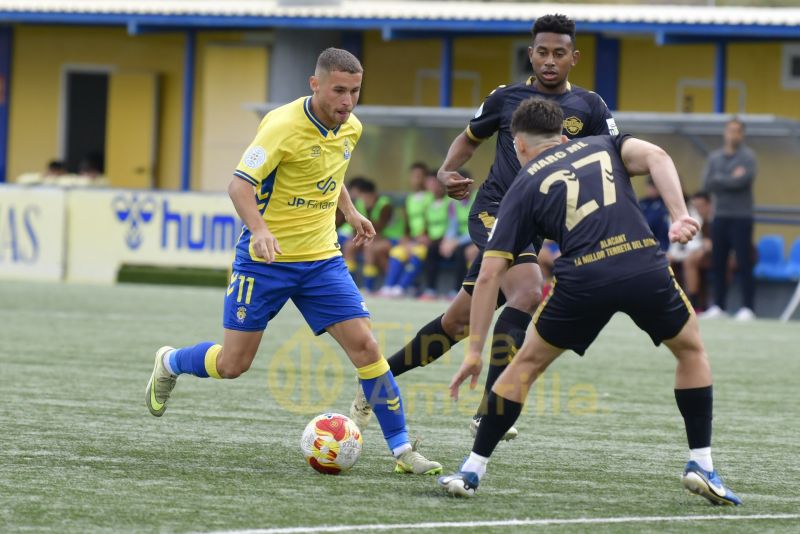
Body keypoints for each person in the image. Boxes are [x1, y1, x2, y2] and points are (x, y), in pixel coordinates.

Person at [144, 47, 441, 475]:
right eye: (339, 90)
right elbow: (238, 186)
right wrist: (261, 230)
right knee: (233, 364)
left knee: (368, 347)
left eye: (355, 91)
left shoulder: (351, 127)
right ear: (315, 84)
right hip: (265, 261)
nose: (347, 101)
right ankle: (170, 361)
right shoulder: (281, 125)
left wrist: (352, 211)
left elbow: (329, 174)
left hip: (321, 260)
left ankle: (401, 451)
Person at [438, 98, 741, 508]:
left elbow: (490, 274)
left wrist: (475, 350)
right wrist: (679, 215)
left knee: (525, 366)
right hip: (642, 264)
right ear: (563, 137)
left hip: (585, 278)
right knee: (691, 351)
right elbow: (658, 156)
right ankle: (701, 462)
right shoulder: (603, 144)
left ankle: (472, 470)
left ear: (519, 147)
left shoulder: (521, 187)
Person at [351, 13, 618, 440]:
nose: (550, 61)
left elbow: (613, 158)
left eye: (559, 53)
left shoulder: (591, 107)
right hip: (496, 209)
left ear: (574, 57)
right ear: (531, 54)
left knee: (456, 323)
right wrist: (445, 172)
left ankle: (374, 382)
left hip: (539, 223)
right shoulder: (505, 98)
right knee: (529, 289)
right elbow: (469, 138)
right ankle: (492, 406)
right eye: (542, 52)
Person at [699, 118, 758, 321]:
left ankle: (748, 308)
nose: (733, 134)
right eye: (730, 130)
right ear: (725, 132)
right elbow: (707, 184)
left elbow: (742, 181)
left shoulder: (748, 157)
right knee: (718, 262)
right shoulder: (714, 158)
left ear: (742, 134)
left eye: (737, 131)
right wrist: (729, 177)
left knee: (744, 261)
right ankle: (718, 306)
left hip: (742, 217)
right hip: (720, 217)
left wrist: (721, 179)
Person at [380, 162, 433, 297]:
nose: (415, 179)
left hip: (426, 240)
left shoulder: (430, 197)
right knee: (397, 252)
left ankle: (402, 287)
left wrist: (424, 236)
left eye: (419, 176)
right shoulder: (409, 198)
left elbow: (430, 219)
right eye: (413, 176)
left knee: (418, 251)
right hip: (414, 239)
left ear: (425, 178)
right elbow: (408, 223)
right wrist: (406, 238)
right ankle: (388, 286)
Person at [343, 177, 404, 293]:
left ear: (373, 194)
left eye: (367, 197)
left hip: (390, 238)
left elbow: (379, 227)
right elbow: (355, 226)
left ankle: (368, 286)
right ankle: (349, 285)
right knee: (349, 245)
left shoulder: (385, 204)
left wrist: (363, 230)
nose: (365, 200)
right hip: (372, 237)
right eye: (363, 196)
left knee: (369, 247)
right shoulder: (360, 203)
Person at [639, 176, 671, 252]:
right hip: (642, 241)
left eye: (653, 187)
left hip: (662, 243)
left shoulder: (665, 203)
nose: (651, 190)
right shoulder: (642, 203)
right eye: (649, 187)